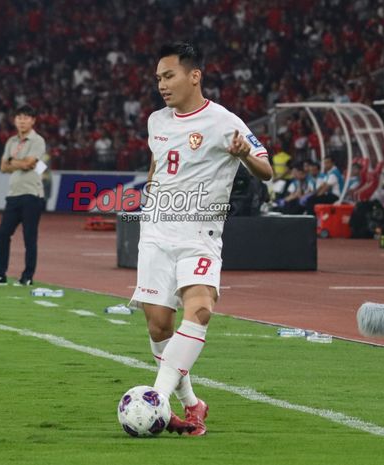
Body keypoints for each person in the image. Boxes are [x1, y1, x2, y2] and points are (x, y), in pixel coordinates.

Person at [130, 42, 272, 436]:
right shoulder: (156, 121)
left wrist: (244, 154)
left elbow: (267, 169)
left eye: (169, 75)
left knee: (201, 307)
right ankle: (192, 404)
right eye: (158, 78)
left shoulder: (226, 121)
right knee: (159, 326)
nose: (161, 84)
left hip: (200, 234)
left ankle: (154, 401)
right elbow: (156, 168)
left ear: (194, 76)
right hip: (157, 232)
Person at [0, 105, 46, 286]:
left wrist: (11, 161)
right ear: (15, 120)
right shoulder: (11, 141)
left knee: (29, 237)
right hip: (13, 194)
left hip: (32, 194)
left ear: (33, 121)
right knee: (2, 234)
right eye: (19, 118)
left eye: (26, 118)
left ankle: (27, 276)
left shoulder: (37, 140)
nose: (22, 121)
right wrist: (17, 163)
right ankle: (0, 274)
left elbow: (29, 164)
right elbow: (3, 167)